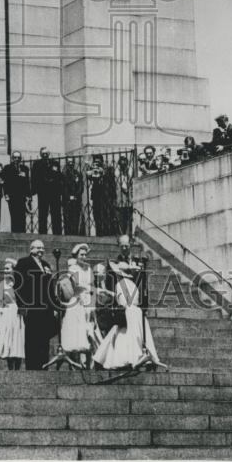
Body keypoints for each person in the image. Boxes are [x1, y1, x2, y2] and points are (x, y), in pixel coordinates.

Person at [93, 237, 163, 370]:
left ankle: (141, 357)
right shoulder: (114, 265)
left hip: (135, 302)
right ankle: (127, 358)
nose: (124, 248)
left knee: (136, 333)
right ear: (119, 246)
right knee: (124, 333)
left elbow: (143, 286)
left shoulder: (138, 262)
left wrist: (144, 304)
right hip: (123, 303)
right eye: (122, 246)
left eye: (126, 245)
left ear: (130, 245)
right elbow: (111, 285)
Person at [13, 239, 56, 370]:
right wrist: (22, 305)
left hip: (46, 308)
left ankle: (43, 365)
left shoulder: (46, 265)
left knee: (44, 338)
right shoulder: (23, 263)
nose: (41, 250)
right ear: (31, 249)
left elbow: (50, 288)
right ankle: (32, 367)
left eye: (42, 248)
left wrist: (53, 306)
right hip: (31, 307)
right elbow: (18, 286)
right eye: (38, 248)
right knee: (32, 338)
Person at [58, 244, 95, 370]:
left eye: (85, 255)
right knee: (76, 331)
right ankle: (75, 364)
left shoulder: (89, 269)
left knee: (89, 331)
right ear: (76, 256)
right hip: (77, 302)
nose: (84, 257)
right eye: (81, 255)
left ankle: (88, 364)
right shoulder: (73, 268)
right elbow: (77, 286)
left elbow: (91, 286)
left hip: (88, 301)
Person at [0, 258, 24, 371]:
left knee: (17, 338)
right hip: (7, 313)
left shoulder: (18, 283)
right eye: (5, 268)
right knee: (7, 338)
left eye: (8, 268)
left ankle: (17, 367)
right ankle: (10, 367)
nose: (6, 271)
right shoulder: (2, 284)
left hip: (17, 313)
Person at [32, 148, 62, 235]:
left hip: (54, 192)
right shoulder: (37, 164)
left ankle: (57, 233)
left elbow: (59, 176)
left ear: (49, 153)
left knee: (56, 213)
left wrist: (59, 189)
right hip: (43, 192)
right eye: (43, 153)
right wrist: (34, 191)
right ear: (41, 154)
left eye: (46, 153)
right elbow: (34, 178)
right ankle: (43, 234)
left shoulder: (55, 163)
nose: (45, 155)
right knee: (42, 214)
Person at [86, 153, 115, 236]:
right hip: (96, 194)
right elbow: (89, 176)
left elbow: (111, 178)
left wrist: (103, 172)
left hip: (106, 194)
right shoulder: (93, 167)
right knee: (97, 214)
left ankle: (108, 232)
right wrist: (92, 170)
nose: (97, 163)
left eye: (99, 161)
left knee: (107, 214)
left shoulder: (108, 168)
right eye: (95, 161)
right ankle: (99, 233)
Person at [1, 151, 31, 233]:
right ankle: (15, 235)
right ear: (12, 159)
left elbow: (27, 183)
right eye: (15, 157)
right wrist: (6, 194)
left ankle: (22, 235)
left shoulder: (25, 168)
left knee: (22, 217)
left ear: (20, 159)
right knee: (14, 216)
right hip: (12, 196)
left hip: (22, 196)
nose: (16, 159)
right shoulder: (7, 168)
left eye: (18, 158)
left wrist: (28, 196)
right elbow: (4, 182)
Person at [62, 160, 85, 235]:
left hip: (76, 200)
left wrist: (76, 195)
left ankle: (75, 234)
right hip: (67, 201)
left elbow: (81, 186)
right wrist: (68, 196)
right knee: (67, 219)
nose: (70, 164)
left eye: (72, 162)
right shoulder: (64, 174)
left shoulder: (77, 173)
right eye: (69, 162)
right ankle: (68, 234)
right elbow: (63, 187)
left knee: (76, 218)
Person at [114, 154, 134, 236]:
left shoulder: (129, 175)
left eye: (125, 165)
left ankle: (128, 234)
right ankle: (122, 235)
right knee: (120, 220)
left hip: (128, 201)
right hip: (119, 201)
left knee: (129, 219)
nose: (123, 167)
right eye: (121, 165)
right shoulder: (117, 175)